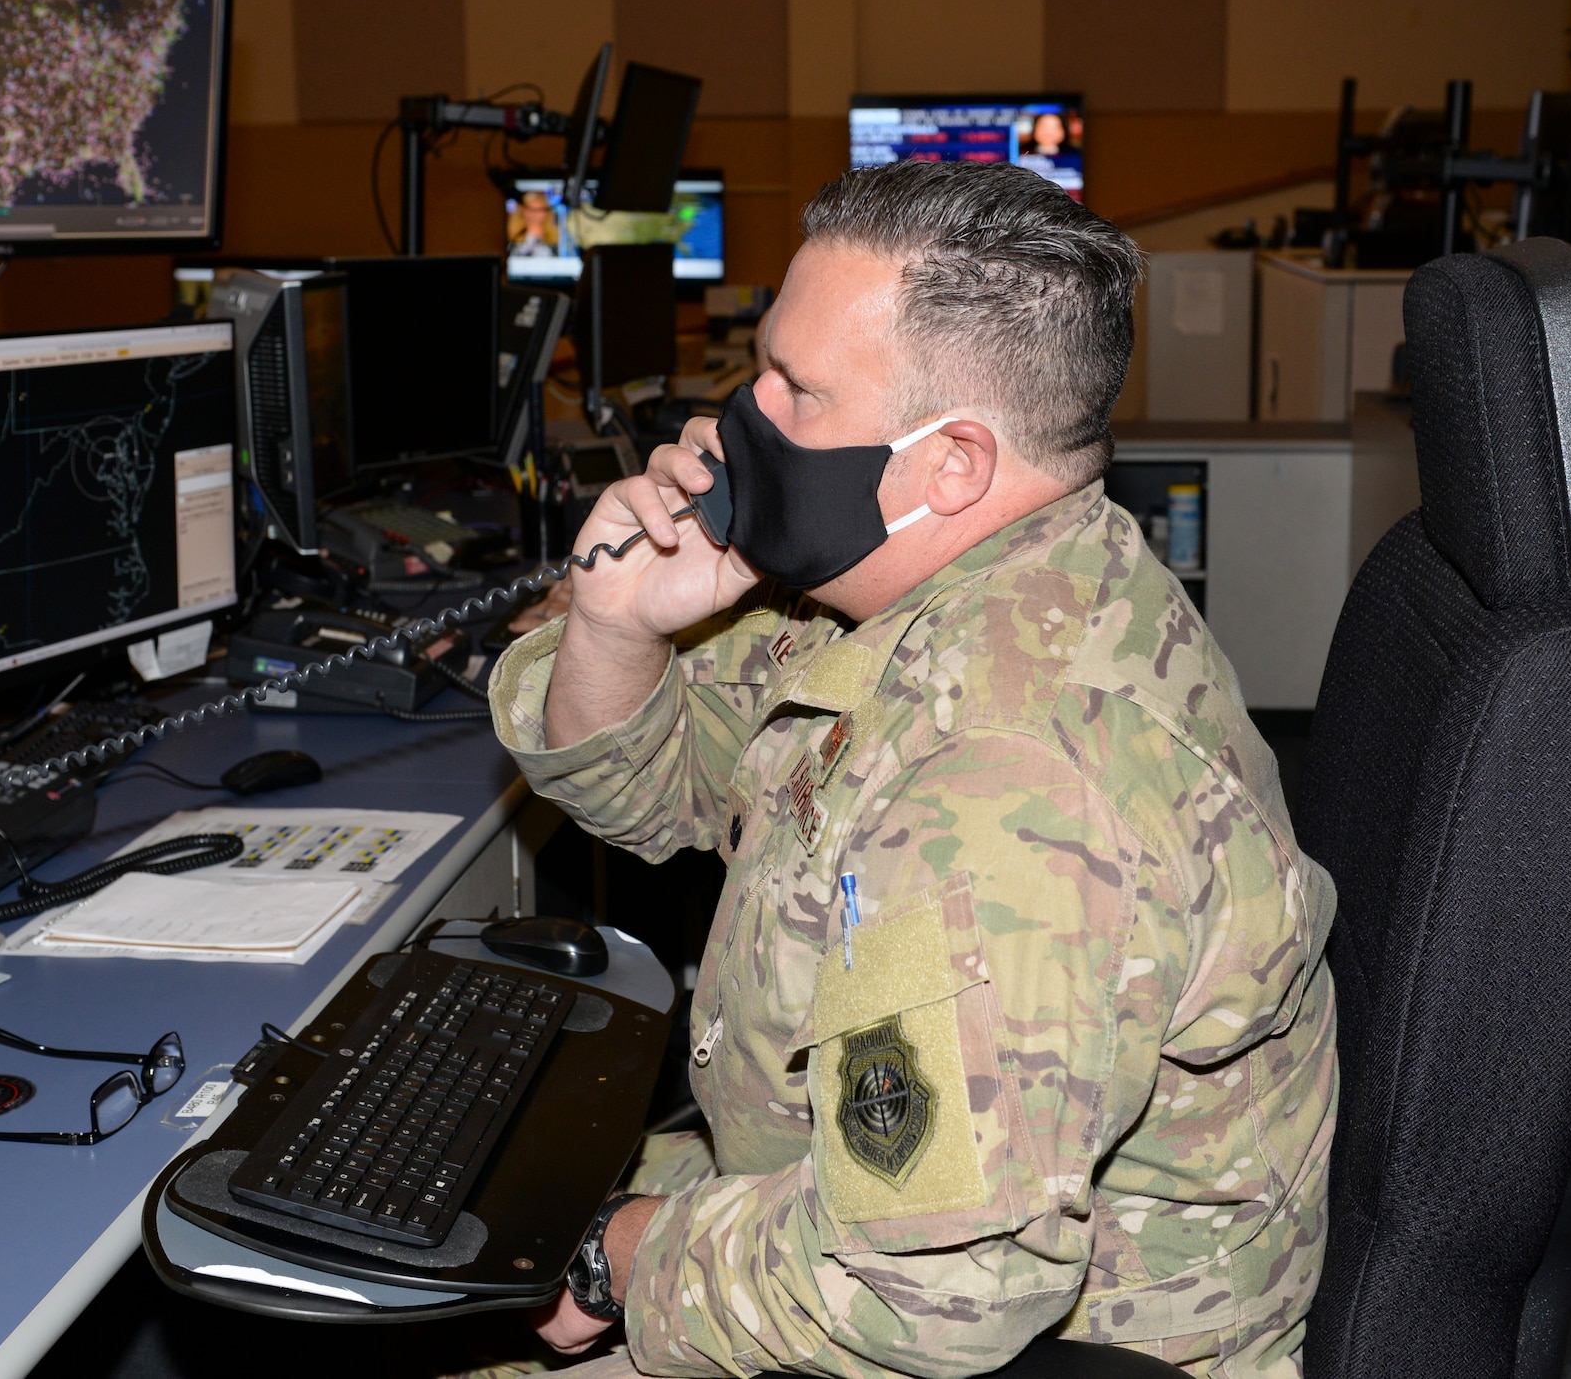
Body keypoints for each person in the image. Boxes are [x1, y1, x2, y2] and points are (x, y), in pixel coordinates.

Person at [486, 159, 1336, 1376]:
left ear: (952, 466)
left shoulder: (1011, 783)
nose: (739, 419)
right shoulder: (910, 588)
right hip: (848, 1208)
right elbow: (654, 797)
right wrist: (622, 626)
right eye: (761, 367)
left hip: (1009, 1332)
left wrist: (614, 1260)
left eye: (796, 390)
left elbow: (920, 1298)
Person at [510, 190, 561, 257]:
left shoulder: (557, 240)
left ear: (547, 213)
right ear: (523, 211)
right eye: (530, 209)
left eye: (539, 210)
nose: (534, 214)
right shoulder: (513, 238)